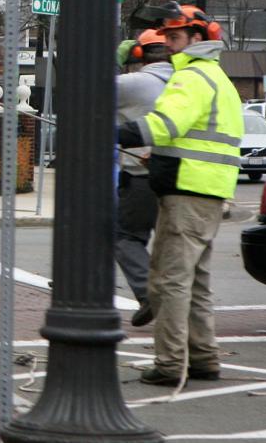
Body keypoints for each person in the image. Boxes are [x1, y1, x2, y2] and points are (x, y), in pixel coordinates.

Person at [117, 3, 241, 386]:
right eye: (167, 37)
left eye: (175, 36)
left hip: (186, 192)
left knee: (168, 281)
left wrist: (117, 133)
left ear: (197, 38)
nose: (168, 44)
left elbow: (166, 124)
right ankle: (204, 359)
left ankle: (171, 364)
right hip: (208, 191)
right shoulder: (218, 78)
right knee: (196, 281)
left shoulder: (191, 78)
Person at [115, 28, 173, 328]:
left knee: (125, 237)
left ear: (138, 54)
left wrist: (114, 62)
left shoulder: (133, 83)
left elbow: (87, 93)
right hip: (182, 180)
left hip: (141, 177)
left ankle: (148, 294)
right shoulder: (185, 83)